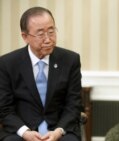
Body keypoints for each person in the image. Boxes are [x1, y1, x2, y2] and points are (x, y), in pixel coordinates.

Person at [0, 7, 82, 141]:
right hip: (22, 131)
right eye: (40, 34)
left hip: (58, 129)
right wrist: (25, 132)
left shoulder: (70, 60)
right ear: (25, 37)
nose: (48, 39)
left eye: (51, 31)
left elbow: (74, 104)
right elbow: (4, 108)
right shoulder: (7, 64)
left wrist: (58, 131)